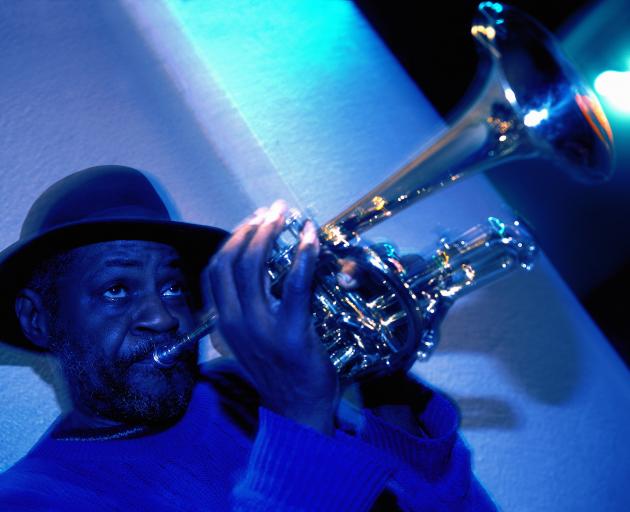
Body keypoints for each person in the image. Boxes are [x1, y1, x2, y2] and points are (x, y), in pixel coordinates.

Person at [0, 165, 497, 511]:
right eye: (116, 289)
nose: (164, 316)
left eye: (174, 285)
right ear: (37, 320)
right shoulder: (29, 498)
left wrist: (386, 387)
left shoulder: (246, 387)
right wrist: (300, 415)